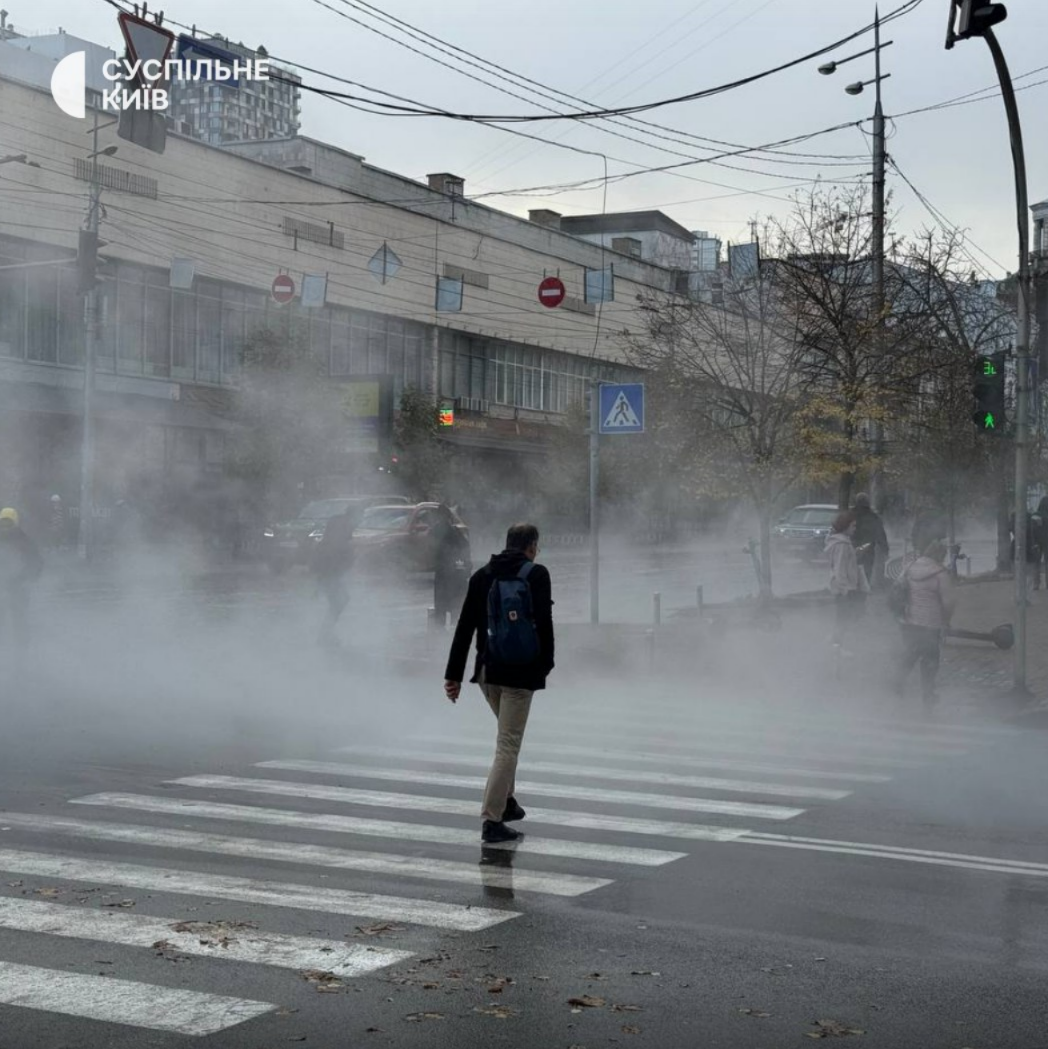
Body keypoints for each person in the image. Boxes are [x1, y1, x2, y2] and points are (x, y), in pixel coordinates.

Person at [444, 523, 554, 844]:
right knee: (508, 744)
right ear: (531, 546)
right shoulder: (536, 574)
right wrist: (544, 666)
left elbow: (464, 627)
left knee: (507, 737)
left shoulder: (482, 576)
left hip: (487, 674)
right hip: (519, 676)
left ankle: (506, 802)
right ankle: (492, 820)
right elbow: (545, 625)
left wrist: (453, 675)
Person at [892, 539, 955, 708]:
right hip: (931, 624)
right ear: (941, 556)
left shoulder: (909, 567)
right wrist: (946, 621)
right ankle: (928, 694)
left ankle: (897, 684)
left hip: (909, 621)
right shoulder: (940, 574)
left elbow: (897, 588)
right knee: (930, 660)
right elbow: (948, 602)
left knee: (910, 653)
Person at [825, 510, 869, 654]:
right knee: (843, 618)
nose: (855, 529)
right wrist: (845, 589)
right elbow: (840, 568)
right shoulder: (842, 544)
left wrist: (854, 554)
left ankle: (836, 643)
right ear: (845, 526)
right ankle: (837, 645)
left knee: (843, 617)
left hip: (842, 587)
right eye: (853, 526)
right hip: (844, 588)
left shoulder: (841, 543)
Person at [0, 508, 43, 653]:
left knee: (19, 619)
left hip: (17, 586)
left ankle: (21, 649)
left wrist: (24, 578)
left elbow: (36, 563)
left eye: (8, 523)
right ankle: (16, 648)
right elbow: (36, 563)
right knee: (17, 619)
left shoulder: (24, 541)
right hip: (12, 585)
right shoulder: (24, 540)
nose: (5, 527)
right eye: (3, 523)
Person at [313, 506, 356, 646]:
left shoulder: (338, 523)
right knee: (340, 600)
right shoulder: (343, 525)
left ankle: (325, 633)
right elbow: (336, 556)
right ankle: (324, 634)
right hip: (329, 571)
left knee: (339, 601)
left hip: (328, 571)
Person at [432, 505, 471, 626]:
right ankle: (453, 634)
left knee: (442, 610)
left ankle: (441, 635)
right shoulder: (456, 532)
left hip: (445, 575)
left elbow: (430, 552)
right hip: (454, 575)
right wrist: (465, 568)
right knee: (455, 609)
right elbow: (466, 551)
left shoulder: (436, 531)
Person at [852, 493, 889, 588]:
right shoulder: (873, 517)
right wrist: (885, 549)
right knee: (867, 570)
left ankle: (853, 588)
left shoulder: (850, 514)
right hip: (868, 548)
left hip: (852, 547)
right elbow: (880, 534)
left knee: (852, 568)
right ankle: (864, 588)